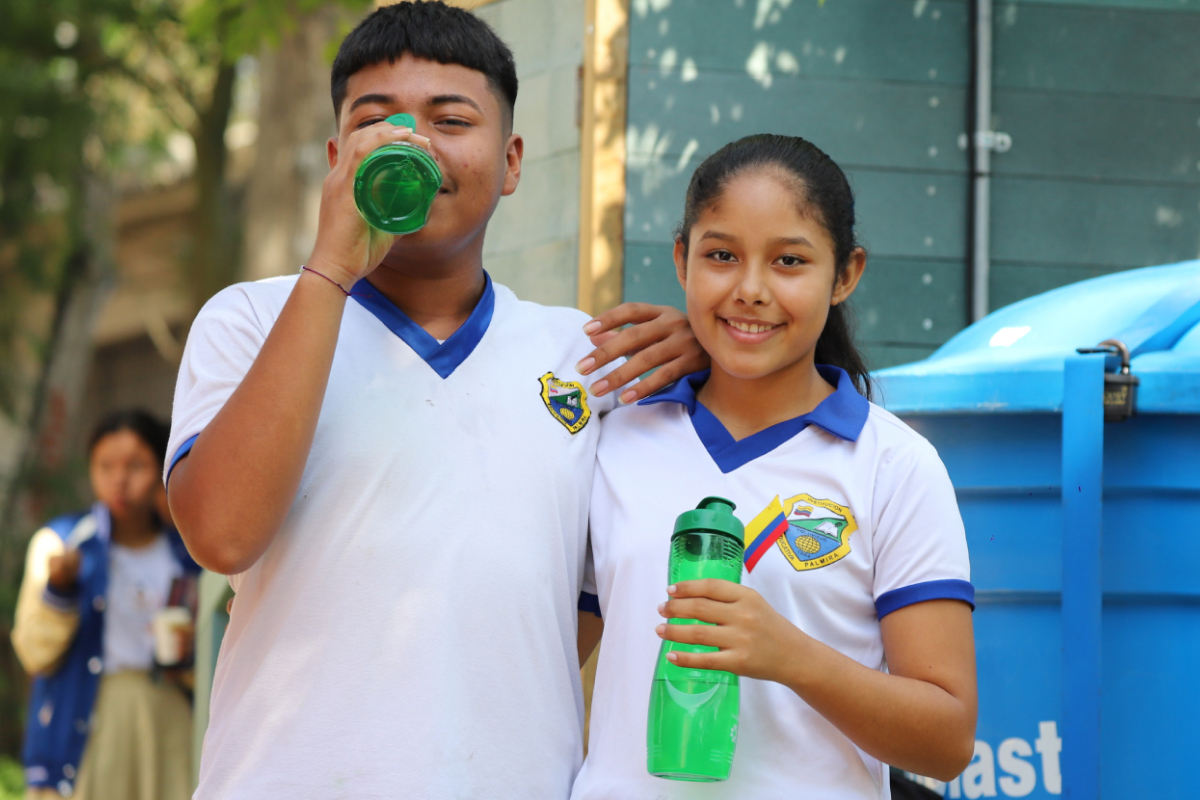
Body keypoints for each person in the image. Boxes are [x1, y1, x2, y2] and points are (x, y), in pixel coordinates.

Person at [164, 2, 704, 798]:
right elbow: (222, 534)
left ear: (513, 161)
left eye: (451, 119)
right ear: (335, 158)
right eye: (375, 121)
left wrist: (715, 351)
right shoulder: (248, 319)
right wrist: (329, 270)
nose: (412, 143)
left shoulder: (587, 358)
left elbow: (580, 611)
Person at [572, 134, 977, 799]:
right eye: (721, 256)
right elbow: (546, 662)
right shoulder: (616, 439)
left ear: (846, 274)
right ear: (681, 259)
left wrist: (790, 656)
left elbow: (946, 741)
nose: (750, 289)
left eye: (789, 260)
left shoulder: (894, 465)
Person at [13, 410, 199, 800]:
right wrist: (61, 590)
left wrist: (192, 654)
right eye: (105, 466)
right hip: (90, 725)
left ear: (162, 467)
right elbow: (34, 653)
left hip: (167, 727)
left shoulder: (190, 553)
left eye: (136, 465)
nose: (120, 479)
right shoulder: (60, 542)